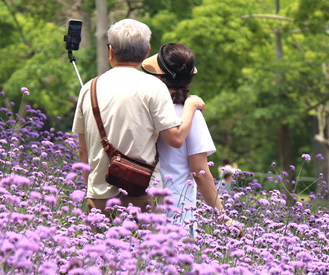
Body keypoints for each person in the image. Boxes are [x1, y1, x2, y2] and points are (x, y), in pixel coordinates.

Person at [72, 19, 206, 219]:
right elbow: (176, 139)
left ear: (111, 52)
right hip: (142, 196)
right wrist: (191, 105)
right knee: (142, 250)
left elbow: (83, 150)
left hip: (99, 198)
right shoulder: (153, 87)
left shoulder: (89, 89)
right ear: (146, 52)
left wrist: (94, 185)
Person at [142, 43, 241, 236]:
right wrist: (223, 217)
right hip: (177, 212)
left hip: (143, 209)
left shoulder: (145, 110)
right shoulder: (191, 115)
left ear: (160, 78)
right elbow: (200, 172)